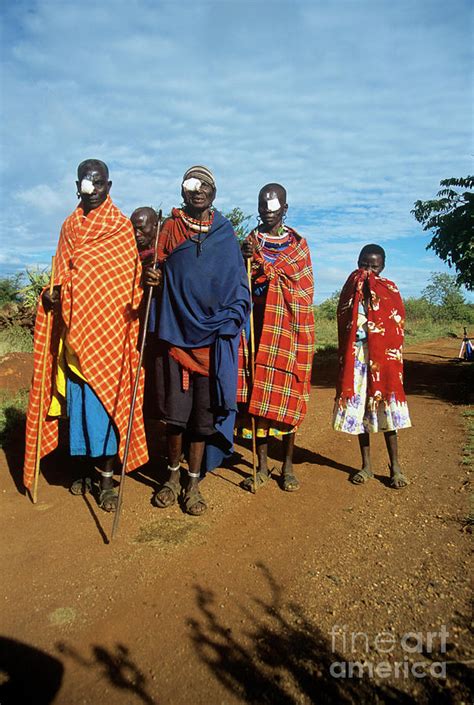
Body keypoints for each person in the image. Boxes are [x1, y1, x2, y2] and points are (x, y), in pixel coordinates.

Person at [23, 159, 148, 511]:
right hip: (74, 337)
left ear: (109, 186)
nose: (91, 190)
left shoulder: (120, 229)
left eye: (97, 184)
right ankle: (84, 470)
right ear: (78, 186)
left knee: (105, 408)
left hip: (108, 337)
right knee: (78, 410)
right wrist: (49, 297)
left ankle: (106, 481)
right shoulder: (69, 227)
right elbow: (59, 278)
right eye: (84, 184)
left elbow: (129, 288)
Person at [145, 166, 250, 515]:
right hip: (176, 336)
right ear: (183, 191)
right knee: (175, 417)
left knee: (202, 420)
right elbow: (152, 264)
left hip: (213, 341)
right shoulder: (169, 228)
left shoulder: (224, 232)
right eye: (191, 185)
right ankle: (171, 478)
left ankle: (193, 484)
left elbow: (238, 285)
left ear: (214, 192)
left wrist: (232, 316)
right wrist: (152, 276)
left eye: (204, 185)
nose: (197, 190)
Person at [239, 183, 314, 492]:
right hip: (256, 327)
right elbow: (238, 283)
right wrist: (244, 259)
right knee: (258, 394)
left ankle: (287, 466)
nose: (267, 213)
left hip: (289, 329)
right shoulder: (249, 242)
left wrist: (268, 269)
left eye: (273, 208)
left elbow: (303, 291)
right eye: (262, 207)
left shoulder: (298, 247)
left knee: (288, 392)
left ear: (285, 208)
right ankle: (261, 466)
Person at [333, 244, 411, 488]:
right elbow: (343, 320)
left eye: (374, 266)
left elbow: (396, 326)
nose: (368, 270)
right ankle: (365, 466)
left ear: (383, 267)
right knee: (360, 413)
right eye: (364, 265)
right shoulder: (349, 291)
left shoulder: (389, 290)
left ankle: (395, 467)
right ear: (358, 263)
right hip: (357, 357)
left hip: (384, 361)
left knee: (387, 410)